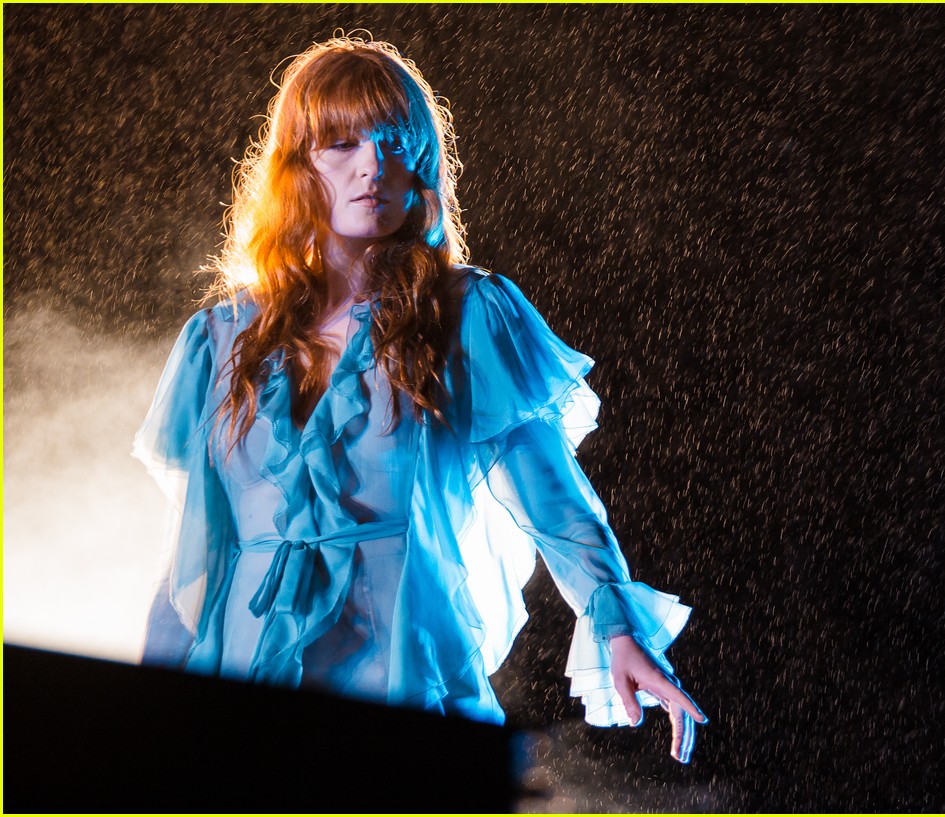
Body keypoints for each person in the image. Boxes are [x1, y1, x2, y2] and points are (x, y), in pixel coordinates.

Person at [134, 35, 706, 763]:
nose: (373, 165)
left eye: (394, 142)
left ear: (421, 164)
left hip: (400, 675)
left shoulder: (467, 314)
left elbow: (554, 502)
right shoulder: (219, 339)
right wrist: (142, 715)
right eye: (342, 143)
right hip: (240, 680)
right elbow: (192, 556)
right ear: (297, 165)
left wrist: (617, 625)